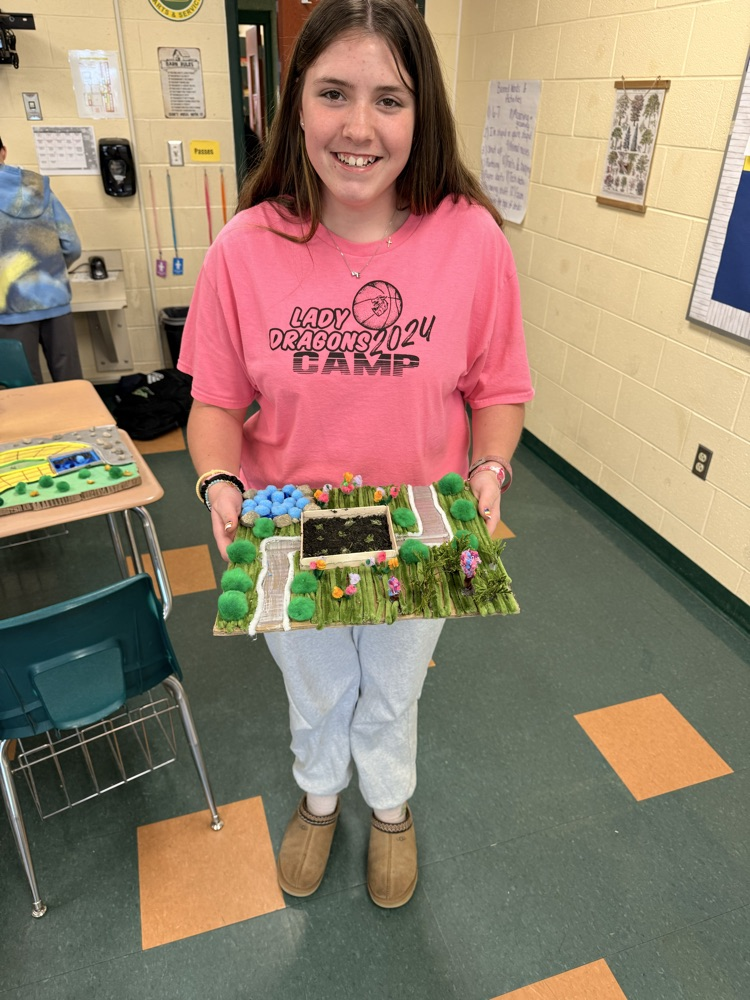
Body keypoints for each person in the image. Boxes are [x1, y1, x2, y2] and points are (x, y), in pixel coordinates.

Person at [178, 0, 533, 909]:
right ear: (296, 101)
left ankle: (390, 808)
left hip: (418, 522)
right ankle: (320, 798)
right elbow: (215, 402)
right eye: (334, 93)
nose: (359, 128)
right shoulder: (245, 248)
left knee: (395, 686)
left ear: (421, 113)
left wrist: (489, 469)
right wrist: (218, 479)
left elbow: (498, 388)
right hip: (292, 525)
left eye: (390, 99)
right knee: (317, 684)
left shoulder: (471, 240)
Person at [0, 136, 83, 382]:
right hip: (54, 298)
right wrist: (53, 271)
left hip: (8, 306)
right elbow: (72, 244)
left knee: (24, 386)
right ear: (3, 152)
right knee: (71, 382)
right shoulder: (37, 186)